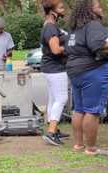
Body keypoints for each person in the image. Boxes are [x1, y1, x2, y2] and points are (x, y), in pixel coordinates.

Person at [66, 0, 108, 155]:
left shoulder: (75, 28)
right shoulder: (93, 24)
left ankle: (79, 144)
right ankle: (91, 148)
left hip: (75, 71)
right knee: (92, 111)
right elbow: (98, 45)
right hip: (93, 70)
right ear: (90, 10)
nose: (101, 8)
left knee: (79, 109)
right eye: (98, 6)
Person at [40, 0, 70, 146]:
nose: (63, 9)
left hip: (49, 68)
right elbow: (56, 50)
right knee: (62, 99)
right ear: (52, 12)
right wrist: (70, 46)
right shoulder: (51, 27)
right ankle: (51, 132)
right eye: (60, 7)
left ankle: (54, 129)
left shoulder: (48, 25)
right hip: (55, 69)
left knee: (53, 99)